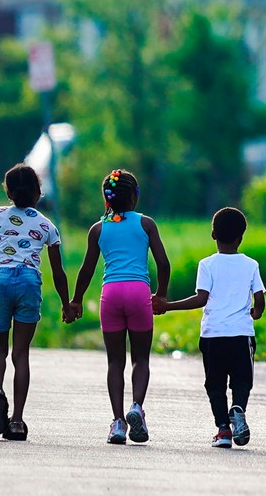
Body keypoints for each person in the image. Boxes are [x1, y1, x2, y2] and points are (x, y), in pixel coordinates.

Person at [69, 169, 170, 445]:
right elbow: (163, 264)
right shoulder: (146, 224)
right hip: (138, 293)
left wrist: (76, 300)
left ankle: (117, 423)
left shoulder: (98, 228)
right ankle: (136, 406)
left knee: (115, 361)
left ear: (107, 198)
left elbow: (87, 268)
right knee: (141, 359)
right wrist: (160, 295)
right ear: (135, 197)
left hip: (110, 294)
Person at [152, 207, 265, 449]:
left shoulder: (206, 265)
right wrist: (255, 313)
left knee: (215, 383)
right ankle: (239, 408)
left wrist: (168, 305)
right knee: (242, 379)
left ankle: (223, 430)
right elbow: (260, 300)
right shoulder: (251, 264)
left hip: (213, 335)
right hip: (241, 334)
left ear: (213, 234)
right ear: (241, 237)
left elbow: (201, 298)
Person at [0, 164, 71, 441]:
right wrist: (67, 304)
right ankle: (16, 421)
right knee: (21, 354)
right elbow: (58, 273)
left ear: (7, 191)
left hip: (2, 280)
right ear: (38, 192)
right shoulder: (47, 226)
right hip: (29, 283)